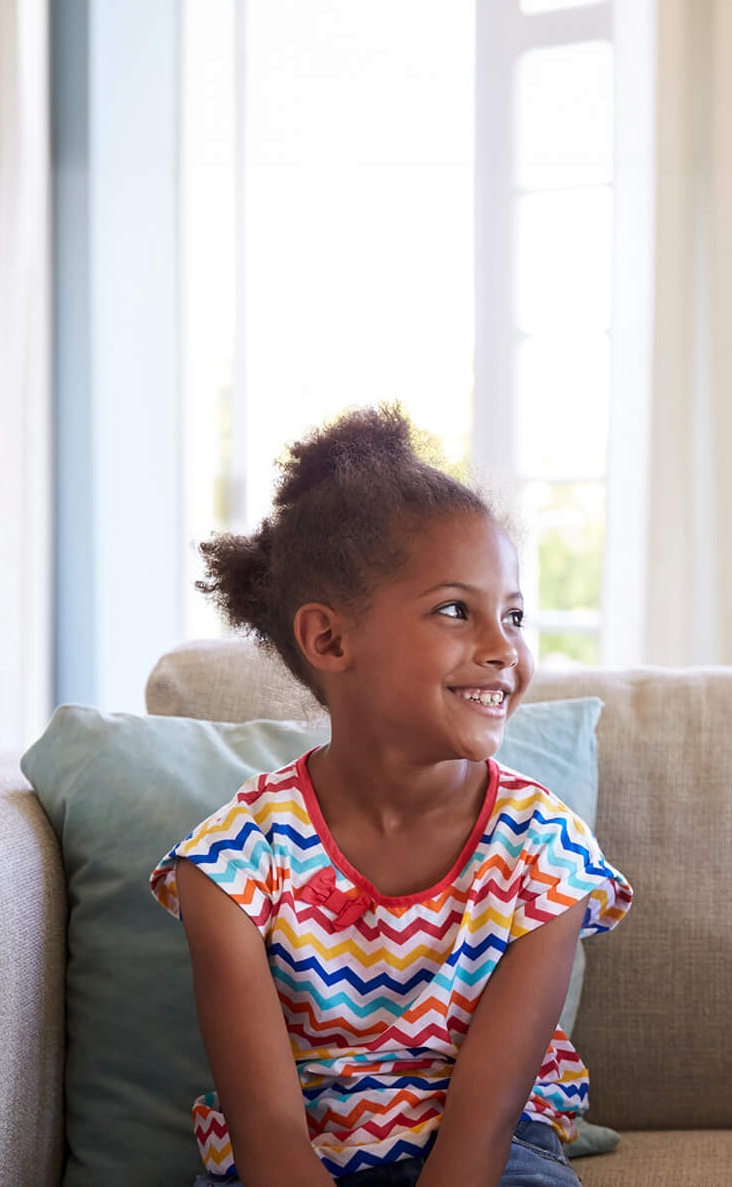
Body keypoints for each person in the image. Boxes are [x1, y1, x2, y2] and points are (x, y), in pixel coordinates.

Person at [152, 404, 631, 1187]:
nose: (504, 647)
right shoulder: (235, 864)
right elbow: (271, 1146)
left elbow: (482, 1131)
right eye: (456, 610)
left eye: (512, 615)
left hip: (488, 1160)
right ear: (330, 640)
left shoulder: (545, 852)